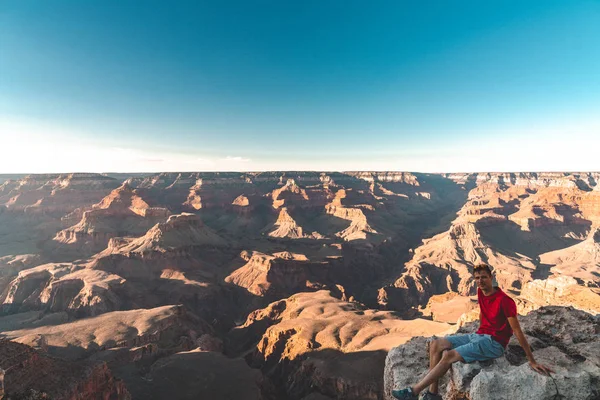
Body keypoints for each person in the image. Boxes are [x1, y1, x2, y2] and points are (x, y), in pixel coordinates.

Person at [392, 263, 554, 400]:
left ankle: (414, 392)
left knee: (449, 355)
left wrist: (531, 360)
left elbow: (517, 331)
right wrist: (479, 331)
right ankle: (433, 394)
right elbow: (483, 312)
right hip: (479, 336)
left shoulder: (505, 301)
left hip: (494, 343)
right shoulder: (480, 292)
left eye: (484, 277)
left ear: (491, 277)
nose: (480, 281)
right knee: (436, 344)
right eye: (477, 278)